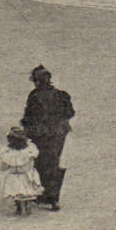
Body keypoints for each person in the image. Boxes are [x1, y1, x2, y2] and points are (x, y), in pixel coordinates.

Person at [21, 65, 74, 210]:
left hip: (39, 133)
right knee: (54, 162)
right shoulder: (61, 95)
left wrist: (25, 129)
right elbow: (70, 113)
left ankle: (42, 194)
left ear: (37, 81)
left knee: (40, 162)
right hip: (58, 133)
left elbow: (28, 117)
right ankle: (53, 198)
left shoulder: (34, 96)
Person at [0, 126, 43, 215]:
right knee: (26, 192)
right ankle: (26, 206)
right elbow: (32, 161)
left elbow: (5, 165)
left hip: (15, 175)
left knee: (16, 192)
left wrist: (5, 166)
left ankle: (19, 208)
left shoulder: (8, 153)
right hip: (26, 174)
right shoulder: (29, 150)